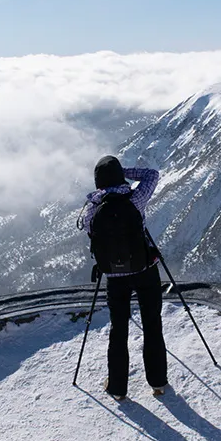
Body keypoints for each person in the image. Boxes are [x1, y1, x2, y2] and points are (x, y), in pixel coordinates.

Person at [80, 155, 168, 401]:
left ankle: (118, 388)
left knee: (118, 330)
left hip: (114, 277)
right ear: (119, 176)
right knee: (152, 325)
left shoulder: (91, 209)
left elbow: (90, 234)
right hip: (144, 270)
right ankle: (158, 382)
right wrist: (125, 173)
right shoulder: (136, 199)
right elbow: (152, 174)